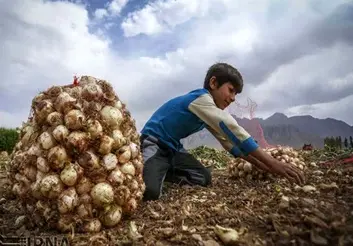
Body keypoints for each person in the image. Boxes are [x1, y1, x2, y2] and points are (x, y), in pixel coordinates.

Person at [140, 62, 305, 201]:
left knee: (203, 178)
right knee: (151, 192)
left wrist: (265, 167)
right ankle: (152, 168)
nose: (233, 98)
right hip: (154, 142)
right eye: (231, 90)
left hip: (173, 149)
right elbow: (232, 128)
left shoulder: (206, 113)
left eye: (236, 94)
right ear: (213, 83)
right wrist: (274, 163)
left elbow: (230, 144)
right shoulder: (201, 100)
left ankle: (162, 170)